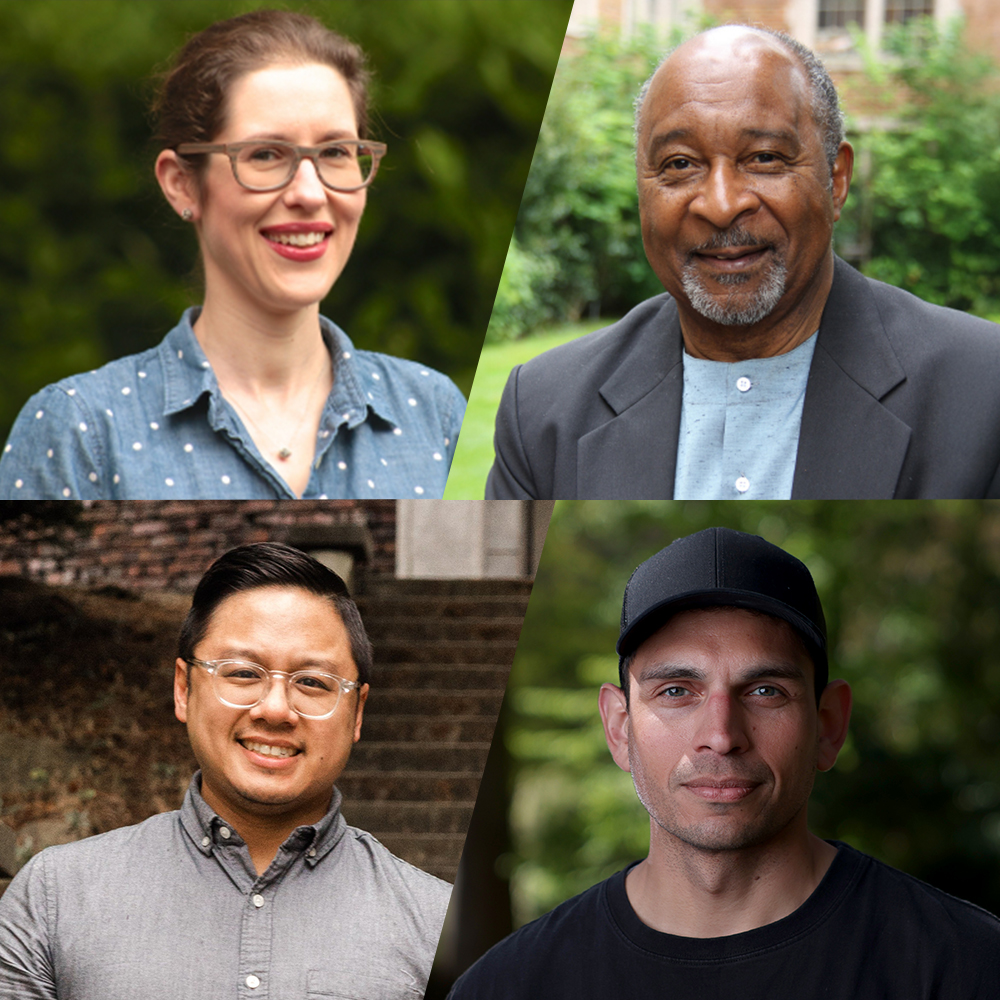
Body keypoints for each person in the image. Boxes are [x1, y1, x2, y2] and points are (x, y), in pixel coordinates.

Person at [447, 527, 1000, 998]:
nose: (721, 736)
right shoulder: (509, 986)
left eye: (764, 691)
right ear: (619, 728)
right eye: (675, 691)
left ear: (829, 725)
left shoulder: (966, 968)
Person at [485, 24, 1000, 500]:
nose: (721, 203)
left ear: (835, 181)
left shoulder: (982, 391)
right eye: (680, 164)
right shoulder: (542, 410)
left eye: (764, 159)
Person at [0, 9, 466, 501]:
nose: (310, 192)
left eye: (335, 152)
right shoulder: (82, 432)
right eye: (265, 155)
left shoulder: (435, 413)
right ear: (182, 184)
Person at [0, 542, 451, 999]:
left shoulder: (439, 925)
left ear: (357, 713)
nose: (275, 709)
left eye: (313, 682)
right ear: (183, 689)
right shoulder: (56, 898)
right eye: (241, 673)